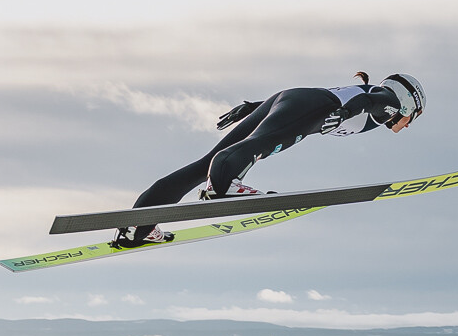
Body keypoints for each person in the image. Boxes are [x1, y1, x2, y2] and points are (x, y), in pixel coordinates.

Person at [111, 72, 425, 248]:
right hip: (311, 106)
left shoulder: (375, 100)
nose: (408, 124)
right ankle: (223, 185)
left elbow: (353, 96)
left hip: (290, 98)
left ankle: (137, 227)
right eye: (414, 116)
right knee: (261, 146)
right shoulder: (389, 101)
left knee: (202, 165)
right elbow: (367, 100)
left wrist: (254, 107)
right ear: (409, 102)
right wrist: (343, 113)